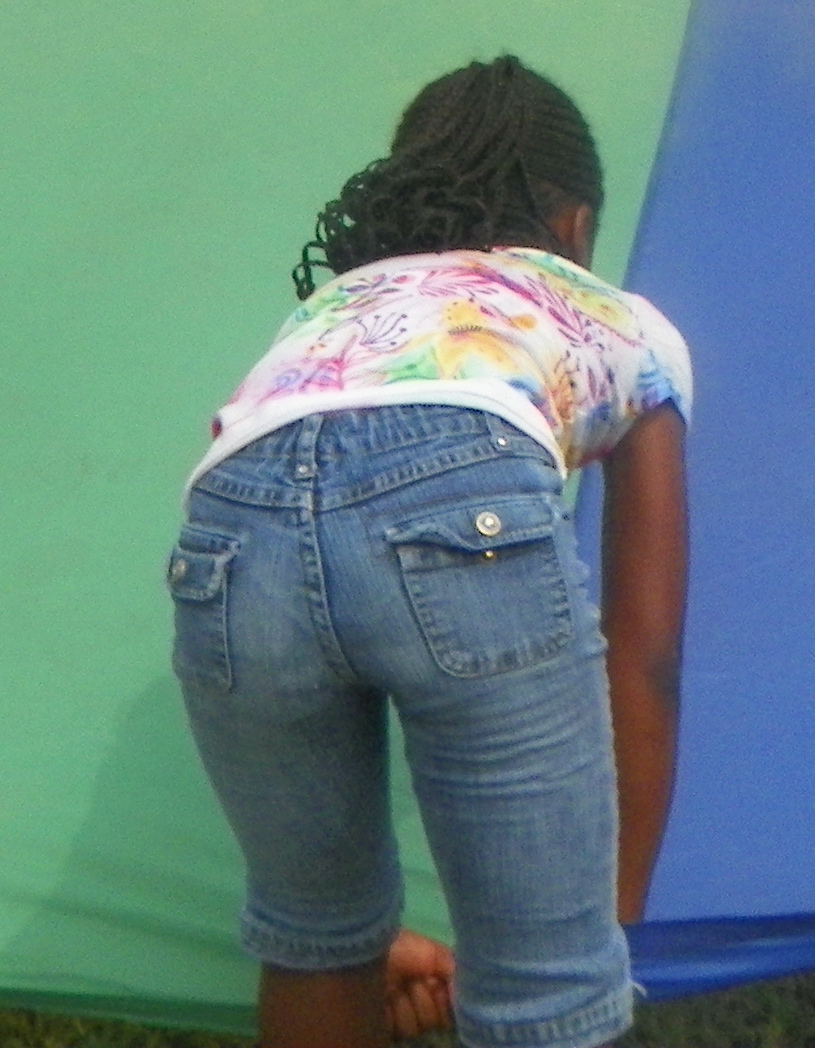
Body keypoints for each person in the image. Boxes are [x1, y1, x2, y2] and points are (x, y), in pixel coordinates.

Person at [173, 58, 691, 1048]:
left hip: (227, 538)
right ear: (576, 226)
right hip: (463, 497)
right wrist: (601, 931)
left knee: (314, 943)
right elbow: (647, 648)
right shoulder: (617, 318)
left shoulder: (337, 307)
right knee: (550, 993)